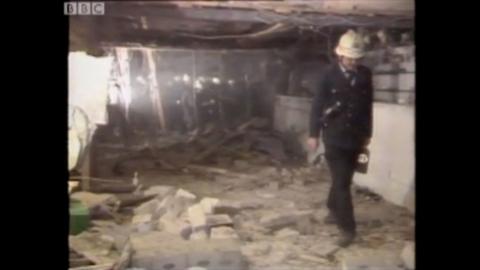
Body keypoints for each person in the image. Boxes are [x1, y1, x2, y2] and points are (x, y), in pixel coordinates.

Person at [308, 30, 373, 247]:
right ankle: (347, 228)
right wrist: (313, 134)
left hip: (356, 138)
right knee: (343, 185)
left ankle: (332, 208)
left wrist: (367, 134)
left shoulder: (365, 74)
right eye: (350, 57)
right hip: (334, 137)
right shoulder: (327, 75)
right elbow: (317, 106)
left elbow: (367, 107)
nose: (354, 62)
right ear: (340, 56)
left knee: (342, 180)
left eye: (357, 58)